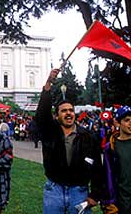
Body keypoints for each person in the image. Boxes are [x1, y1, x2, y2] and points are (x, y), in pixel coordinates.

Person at [35, 69, 102, 214]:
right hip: (54, 189)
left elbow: (97, 167)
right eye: (64, 111)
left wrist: (95, 194)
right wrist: (48, 84)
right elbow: (41, 113)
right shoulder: (50, 132)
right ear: (57, 115)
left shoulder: (88, 136)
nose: (68, 113)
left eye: (71, 110)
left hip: (79, 191)